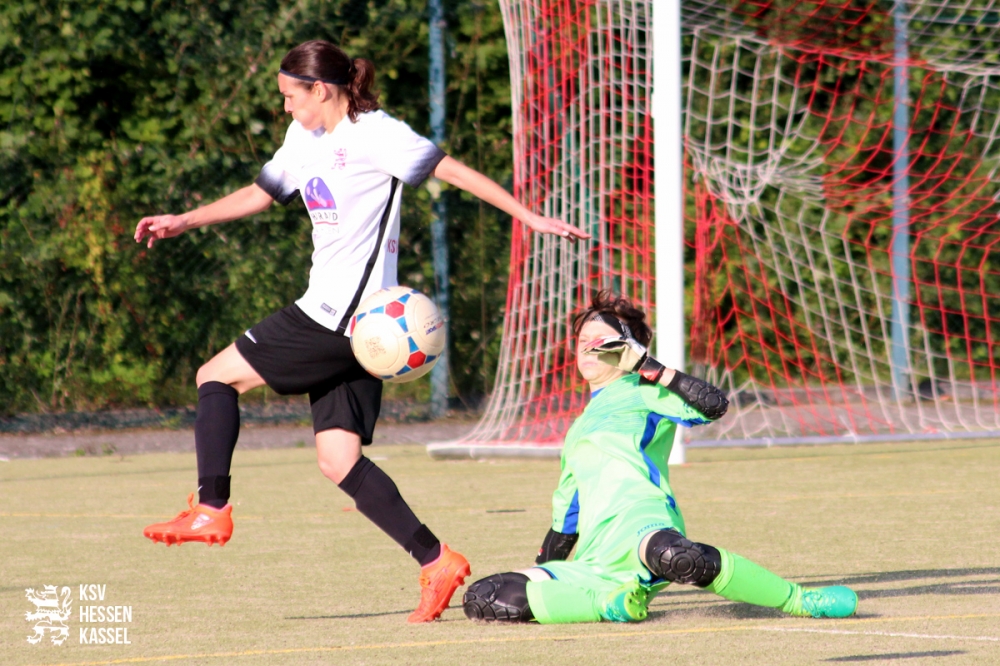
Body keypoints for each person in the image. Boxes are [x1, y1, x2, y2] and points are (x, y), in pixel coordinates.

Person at [133, 39, 588, 624]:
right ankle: (437, 561)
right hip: (364, 330)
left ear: (320, 89)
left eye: (290, 96)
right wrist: (184, 220)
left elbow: (452, 171)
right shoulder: (303, 137)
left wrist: (528, 216)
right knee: (339, 459)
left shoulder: (377, 134)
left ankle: (212, 506)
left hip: (336, 316)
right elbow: (261, 193)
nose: (285, 106)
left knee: (214, 377)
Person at [462, 292, 858, 624]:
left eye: (600, 339)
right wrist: (548, 571)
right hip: (596, 560)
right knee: (485, 596)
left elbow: (714, 405)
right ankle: (611, 605)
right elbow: (565, 522)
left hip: (643, 528)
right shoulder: (578, 428)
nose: (587, 345)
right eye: (582, 339)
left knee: (677, 557)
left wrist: (647, 367)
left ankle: (799, 599)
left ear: (627, 349)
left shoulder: (645, 391)